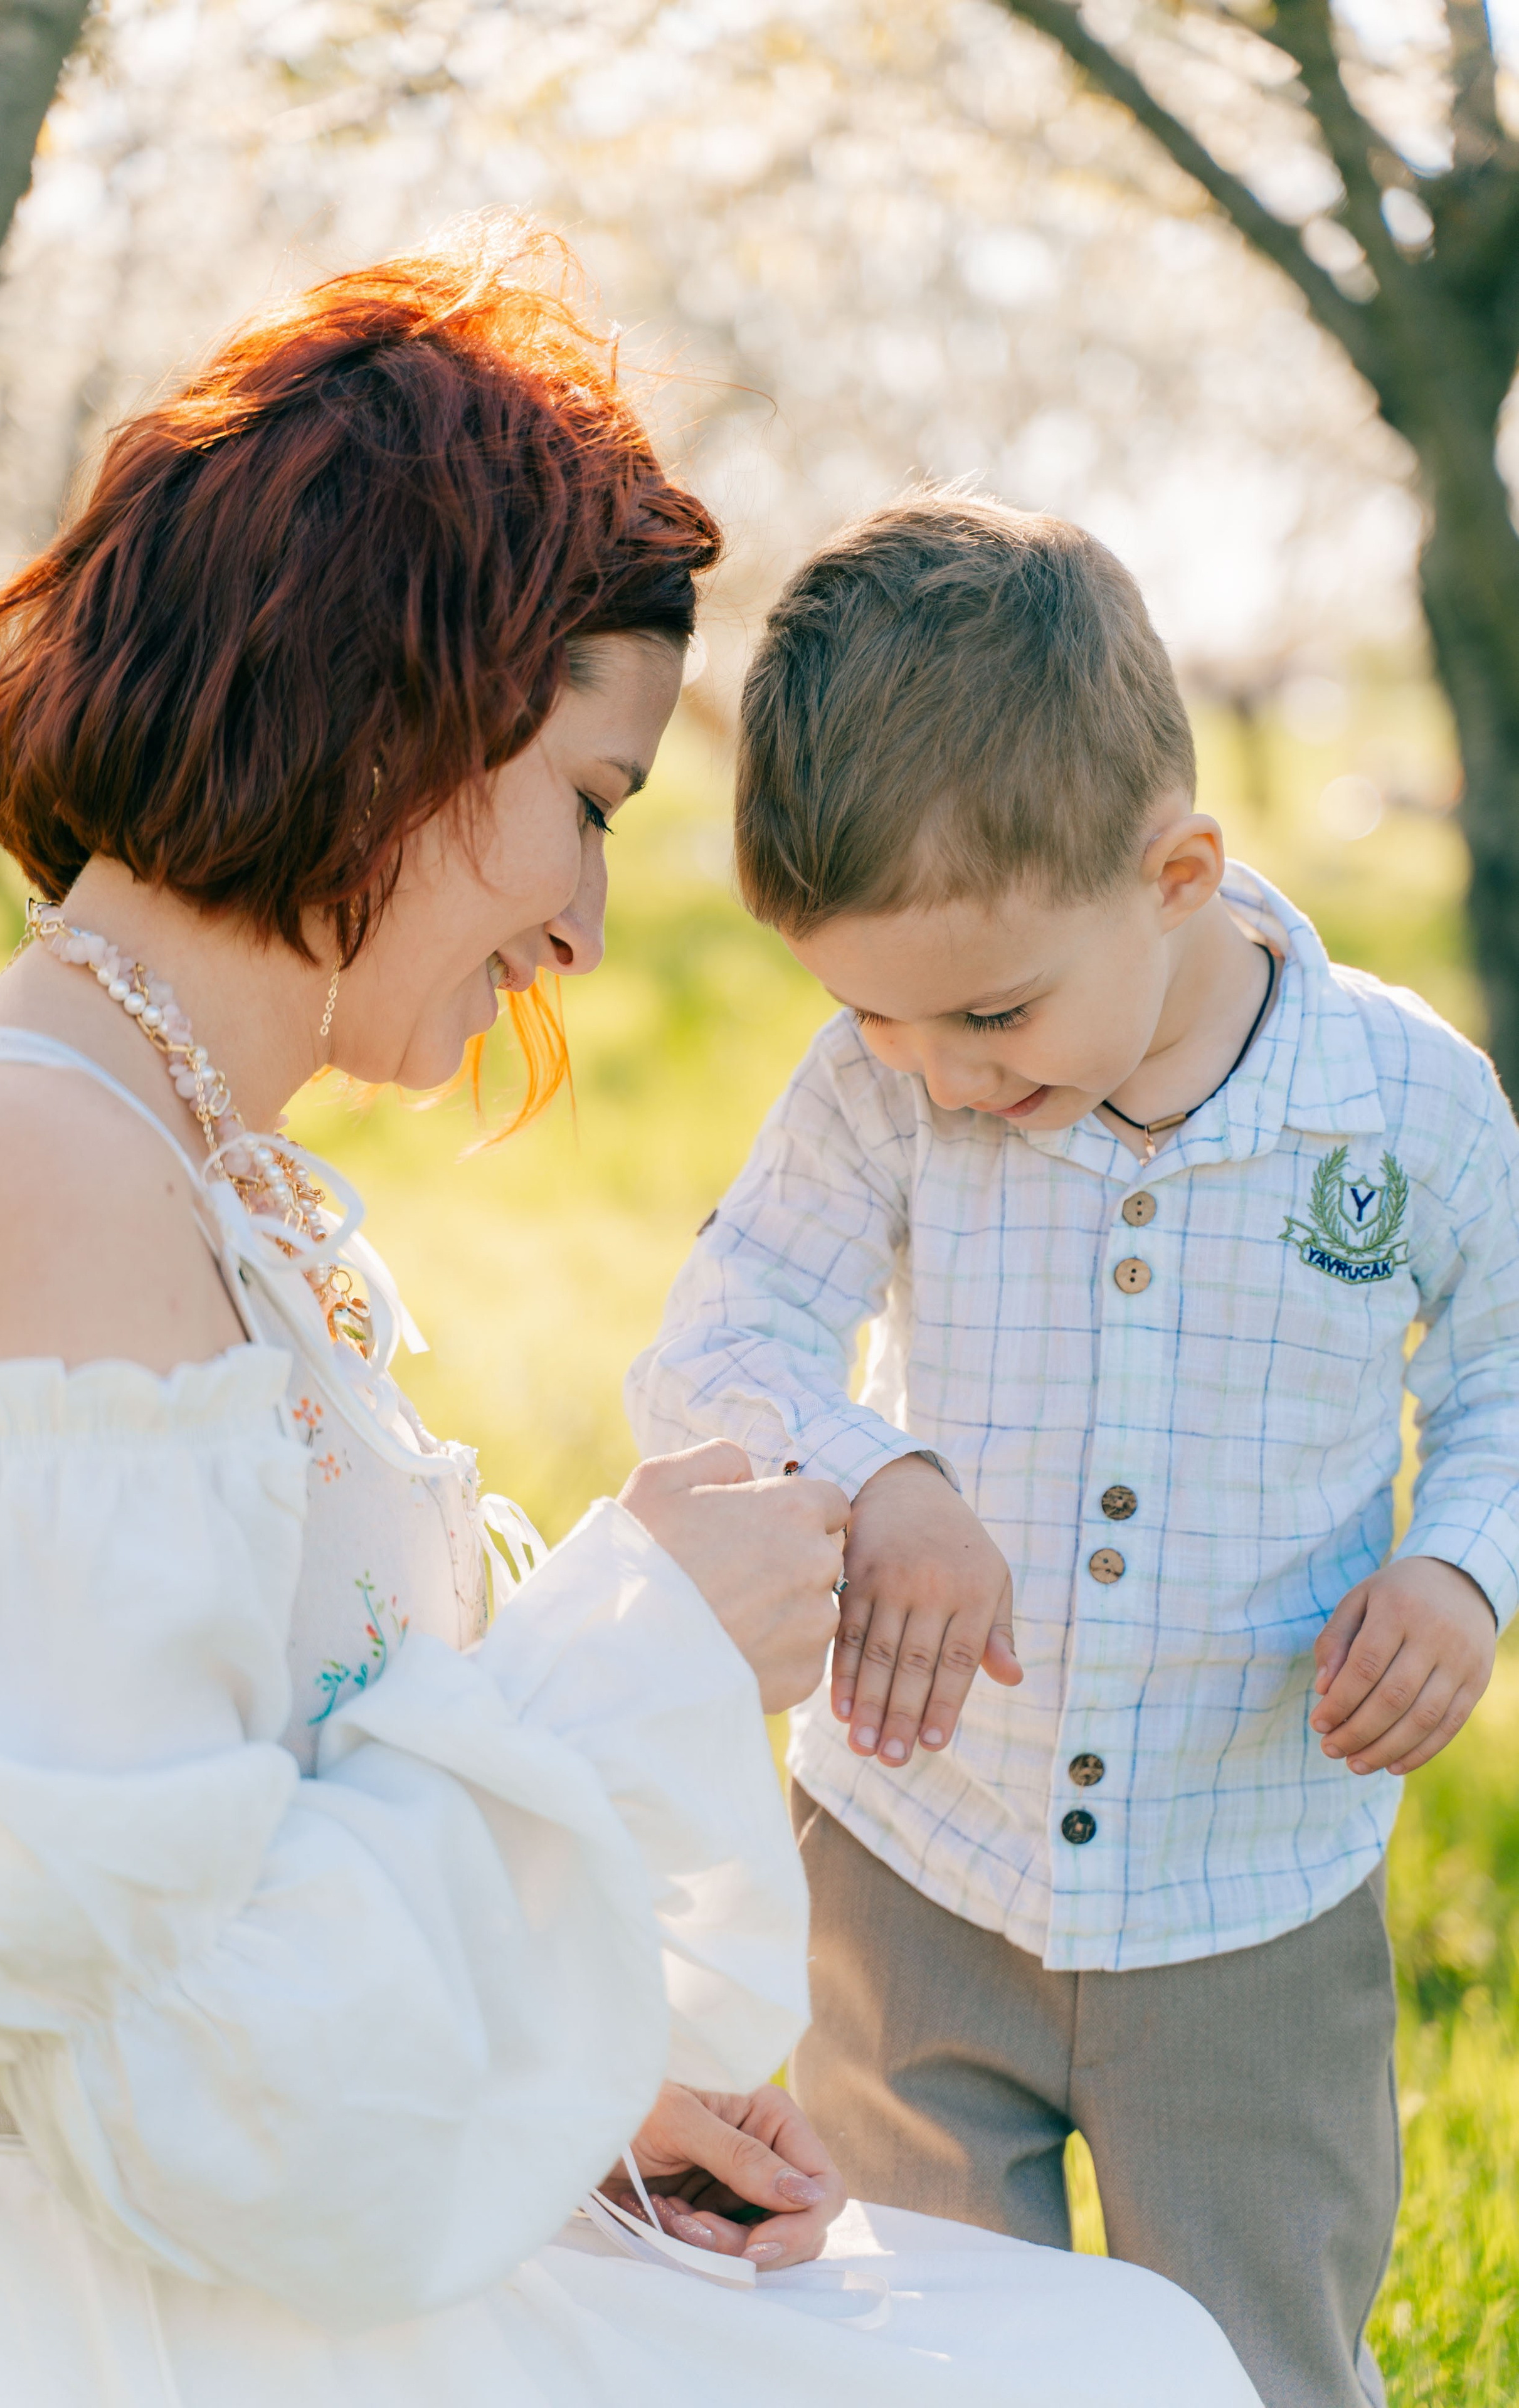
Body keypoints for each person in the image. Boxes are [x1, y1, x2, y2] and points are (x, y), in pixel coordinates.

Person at [0, 238, 1259, 2407]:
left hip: (230, 2220)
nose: (587, 927)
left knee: (1110, 2342)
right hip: (88, 2302)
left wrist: (573, 2107)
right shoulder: (28, 1165)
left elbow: (218, 1882)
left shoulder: (183, 1149)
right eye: (589, 806)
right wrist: (640, 1652)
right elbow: (158, 2058)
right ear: (397, 717)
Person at [627, 492, 1519, 2408]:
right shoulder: (886, 1083)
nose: (939, 1066)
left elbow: (1512, 1371)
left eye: (994, 1010)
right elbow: (724, 1333)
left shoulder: (1398, 1108)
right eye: (872, 1009)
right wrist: (881, 1475)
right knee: (927, 2350)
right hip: (919, 1868)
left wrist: (1466, 1566)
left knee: (1262, 2353)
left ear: (1179, 874)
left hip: (1245, 1898)